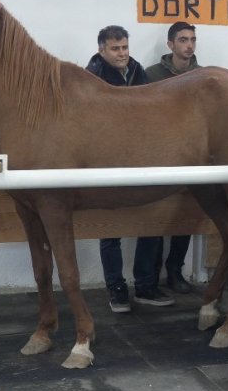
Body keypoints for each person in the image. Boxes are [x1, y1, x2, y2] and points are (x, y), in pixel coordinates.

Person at [85, 25, 150, 313]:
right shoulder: (90, 78)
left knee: (153, 220)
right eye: (116, 48)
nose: (123, 53)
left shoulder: (138, 71)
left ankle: (146, 284)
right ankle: (116, 289)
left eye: (125, 47)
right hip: (106, 160)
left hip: (141, 156)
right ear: (102, 50)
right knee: (109, 229)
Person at [138, 21, 201, 303]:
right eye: (183, 39)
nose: (189, 45)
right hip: (157, 155)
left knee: (184, 216)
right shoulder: (151, 75)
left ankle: (175, 271)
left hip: (192, 155)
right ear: (170, 44)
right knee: (153, 218)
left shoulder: (204, 77)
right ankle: (148, 278)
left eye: (192, 40)